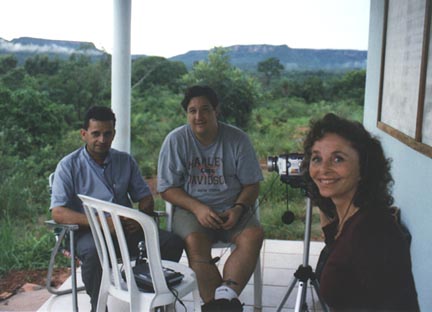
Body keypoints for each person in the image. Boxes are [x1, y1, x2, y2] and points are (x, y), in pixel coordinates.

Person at [50, 106, 184, 311]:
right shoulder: (68, 165)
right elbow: (58, 212)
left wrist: (139, 217)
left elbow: (145, 197)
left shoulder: (125, 161)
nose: (102, 140)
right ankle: (99, 305)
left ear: (114, 133)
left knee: (171, 243)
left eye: (107, 133)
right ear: (84, 134)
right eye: (96, 134)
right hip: (88, 232)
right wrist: (102, 224)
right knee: (95, 254)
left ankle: (153, 292)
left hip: (125, 229)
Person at [157, 85, 264, 312]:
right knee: (195, 242)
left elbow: (252, 184)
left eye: (205, 109)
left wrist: (238, 208)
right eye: (192, 110)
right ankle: (222, 305)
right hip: (191, 209)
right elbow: (167, 189)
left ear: (216, 110)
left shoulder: (237, 139)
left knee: (253, 234)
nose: (198, 116)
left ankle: (223, 298)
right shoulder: (175, 140)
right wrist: (197, 208)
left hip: (232, 207)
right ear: (186, 113)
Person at [301, 113, 419, 311]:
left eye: (338, 159)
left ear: (364, 167)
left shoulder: (373, 233)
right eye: (317, 158)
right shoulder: (350, 218)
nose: (324, 169)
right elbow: (336, 242)